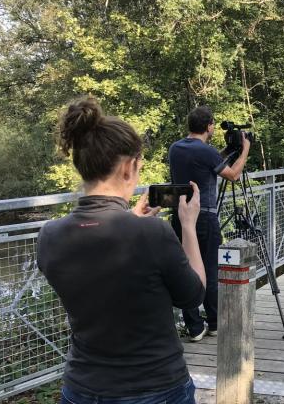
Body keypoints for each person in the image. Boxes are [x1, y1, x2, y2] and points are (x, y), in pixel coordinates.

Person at [37, 98, 205, 403]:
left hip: (81, 389)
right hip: (155, 388)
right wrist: (188, 226)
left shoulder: (49, 236)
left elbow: (99, 275)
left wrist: (131, 221)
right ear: (129, 168)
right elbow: (193, 295)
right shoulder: (151, 233)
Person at [168, 106, 251, 342]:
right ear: (209, 126)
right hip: (203, 216)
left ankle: (194, 328)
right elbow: (233, 175)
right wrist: (244, 150)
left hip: (180, 215)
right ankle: (214, 323)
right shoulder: (206, 152)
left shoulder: (175, 148)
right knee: (210, 270)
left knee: (185, 269)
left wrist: (225, 151)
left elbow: (208, 161)